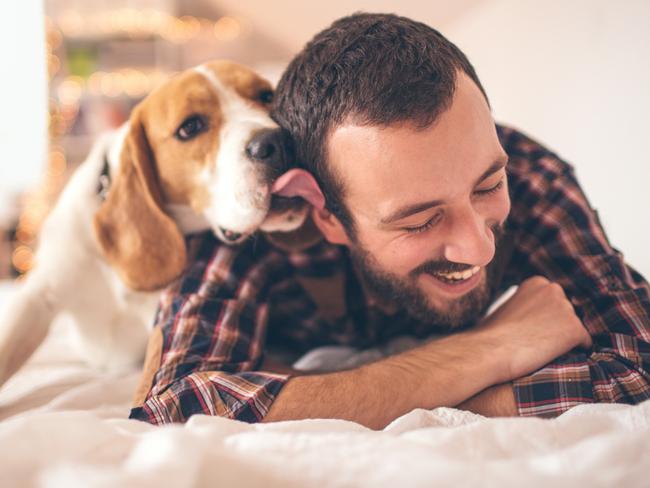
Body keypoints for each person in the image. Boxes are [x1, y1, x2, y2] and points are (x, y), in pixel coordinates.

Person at [129, 13, 650, 429]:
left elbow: (639, 357)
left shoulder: (532, 175)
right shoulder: (261, 212)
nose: (478, 248)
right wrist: (489, 350)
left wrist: (358, 397)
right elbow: (173, 406)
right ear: (327, 216)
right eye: (420, 221)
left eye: (488, 187)